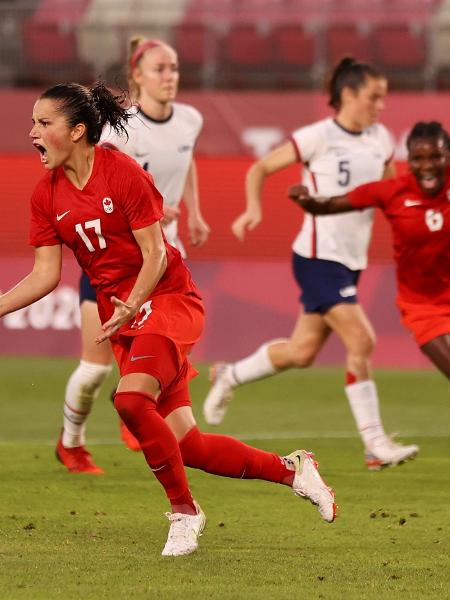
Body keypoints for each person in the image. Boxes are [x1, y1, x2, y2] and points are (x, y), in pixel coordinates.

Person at [0, 82, 336, 557]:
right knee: (189, 445)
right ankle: (293, 469)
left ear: (77, 131)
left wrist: (132, 303)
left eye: (43, 123)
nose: (32, 132)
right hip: (126, 316)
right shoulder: (45, 195)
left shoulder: (121, 173)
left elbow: (155, 254)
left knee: (131, 400)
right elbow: (44, 275)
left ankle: (185, 513)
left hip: (167, 299)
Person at [203, 57, 419, 470]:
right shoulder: (318, 136)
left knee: (302, 352)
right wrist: (252, 210)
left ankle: (230, 374)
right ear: (349, 95)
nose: (381, 106)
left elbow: (393, 191)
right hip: (318, 258)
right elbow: (262, 167)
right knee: (363, 341)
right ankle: (375, 445)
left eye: (384, 98)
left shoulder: (380, 139)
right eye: (375, 97)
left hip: (350, 262)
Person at [56, 38, 210, 473]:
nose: (170, 77)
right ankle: (70, 442)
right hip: (112, 263)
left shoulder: (191, 120)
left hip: (161, 261)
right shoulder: (118, 129)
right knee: (93, 369)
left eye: (175, 68)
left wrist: (192, 211)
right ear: (137, 75)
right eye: (160, 69)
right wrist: (152, 208)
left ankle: (138, 413)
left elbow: (187, 159)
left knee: (166, 351)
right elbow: (95, 185)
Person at [289, 121, 450, 380]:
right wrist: (307, 201)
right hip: (423, 306)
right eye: (418, 158)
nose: (427, 165)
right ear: (408, 161)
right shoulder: (392, 191)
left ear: (448, 157)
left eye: (436, 157)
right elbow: (328, 206)